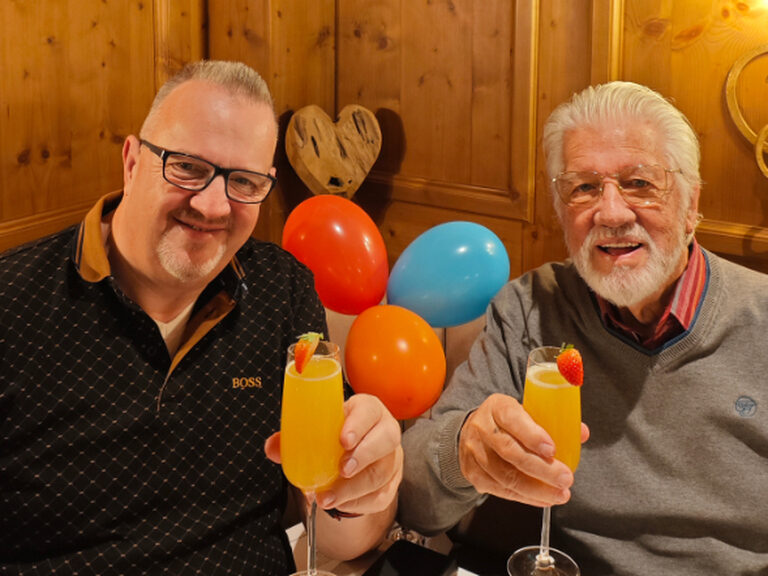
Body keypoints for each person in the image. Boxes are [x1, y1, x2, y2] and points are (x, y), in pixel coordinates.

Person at [0, 60, 402, 575]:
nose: (213, 206)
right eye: (187, 167)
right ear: (131, 161)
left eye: (244, 181)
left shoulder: (282, 290)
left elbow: (341, 534)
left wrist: (369, 485)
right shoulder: (13, 301)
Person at [398, 81, 768, 575]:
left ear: (691, 206)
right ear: (561, 213)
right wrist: (461, 451)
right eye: (584, 188)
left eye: (639, 183)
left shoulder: (761, 319)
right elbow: (413, 502)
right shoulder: (529, 308)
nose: (610, 213)